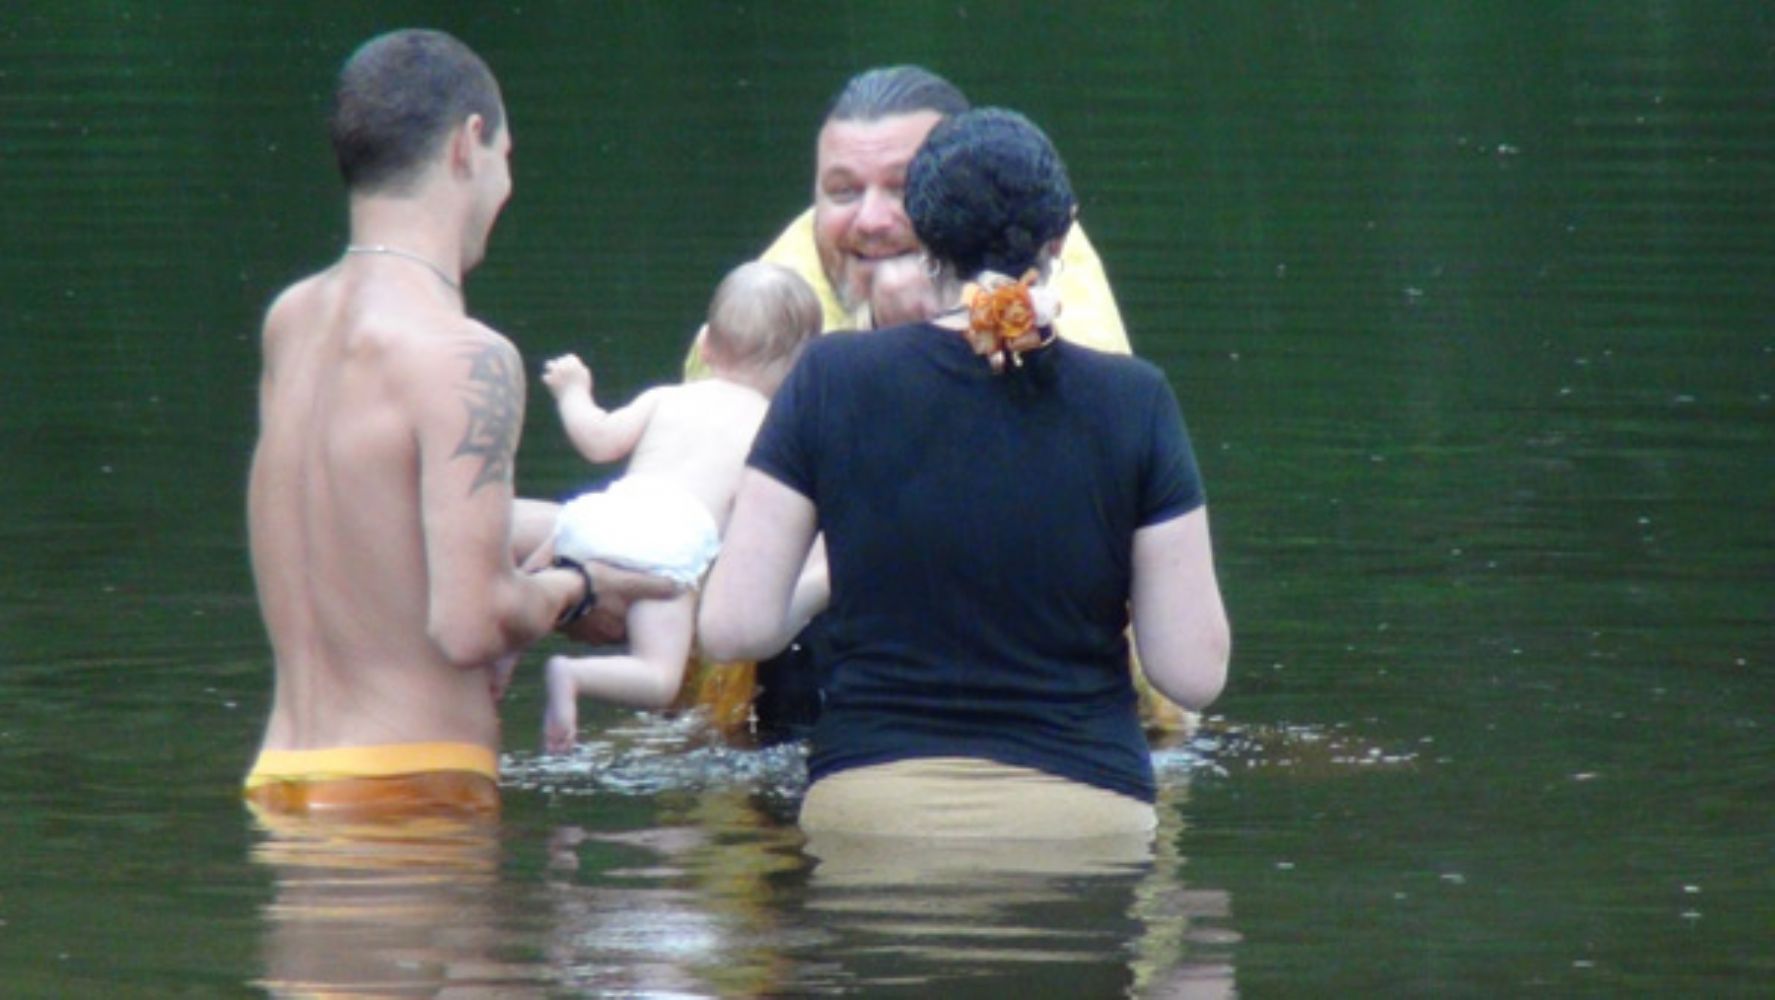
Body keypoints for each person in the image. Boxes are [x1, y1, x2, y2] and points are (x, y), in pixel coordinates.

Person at [698, 108, 1230, 839]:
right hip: (1083, 822)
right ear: (1060, 236)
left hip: (872, 818)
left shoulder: (828, 376)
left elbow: (733, 628)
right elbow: (1193, 673)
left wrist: (836, 571)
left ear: (920, 236)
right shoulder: (1137, 400)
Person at [243, 29, 674, 819]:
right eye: (506, 155)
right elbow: (470, 624)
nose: (506, 182)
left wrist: (546, 541)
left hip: (284, 780)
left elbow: (368, 535)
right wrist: (579, 587)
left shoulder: (291, 322)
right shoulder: (465, 355)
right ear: (466, 144)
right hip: (411, 788)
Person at [536, 262, 827, 750]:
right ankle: (571, 675)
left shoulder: (665, 398)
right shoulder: (772, 432)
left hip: (600, 513)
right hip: (668, 546)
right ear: (803, 370)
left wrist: (572, 392)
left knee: (531, 584)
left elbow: (597, 440)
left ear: (705, 345)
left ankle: (502, 653)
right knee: (659, 679)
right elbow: (757, 528)